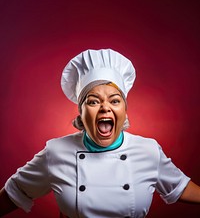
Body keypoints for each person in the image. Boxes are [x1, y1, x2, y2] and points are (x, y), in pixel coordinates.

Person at [0, 48, 200, 217]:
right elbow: (14, 192)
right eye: (93, 101)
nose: (105, 107)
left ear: (124, 109)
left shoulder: (148, 150)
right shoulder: (56, 151)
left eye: (114, 100)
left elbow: (180, 187)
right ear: (81, 111)